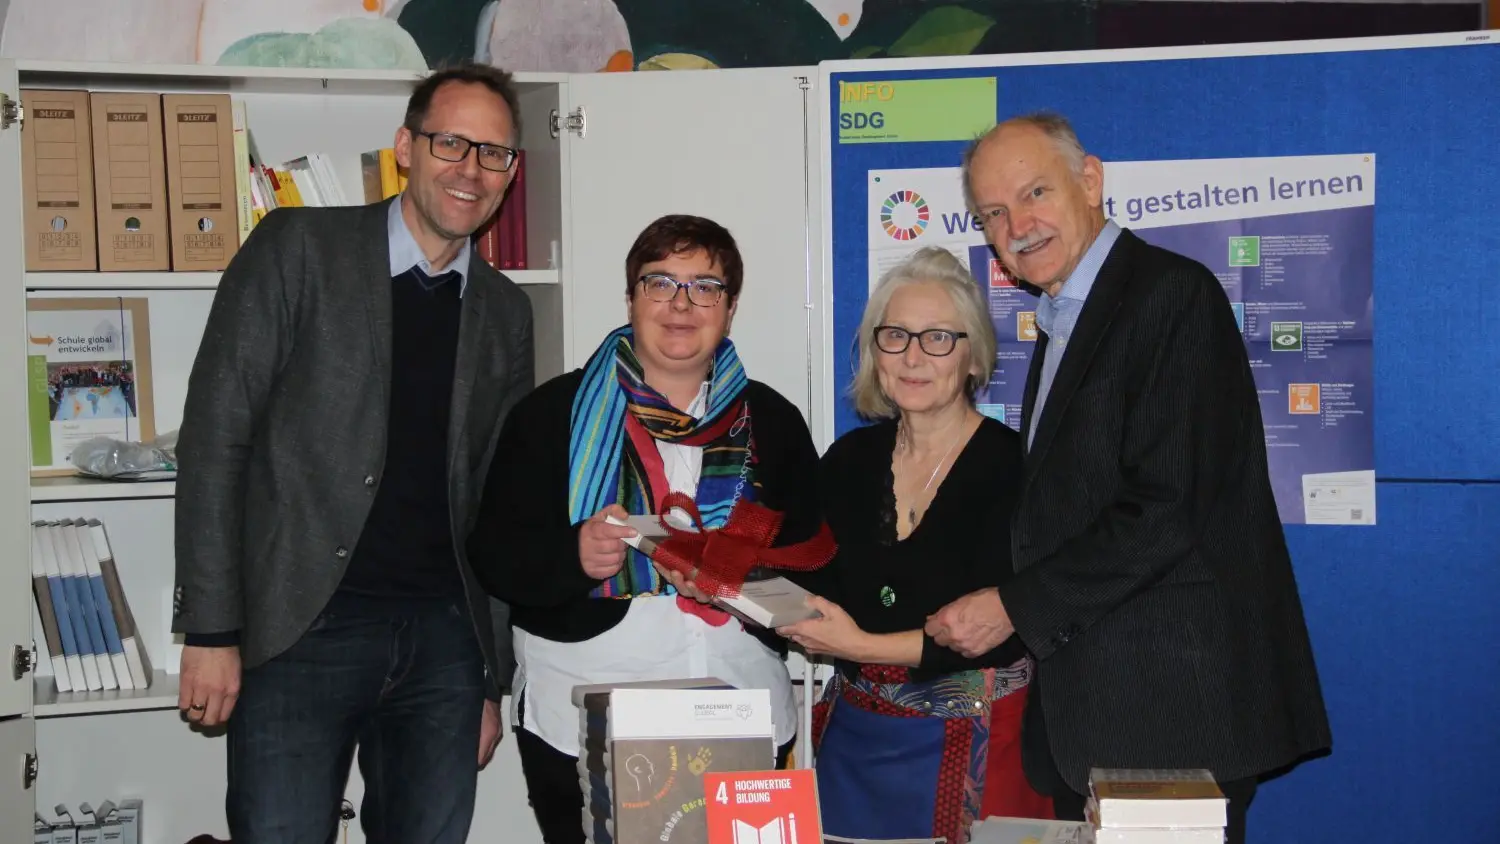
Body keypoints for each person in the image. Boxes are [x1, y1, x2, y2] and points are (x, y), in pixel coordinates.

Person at [926, 112, 1332, 844]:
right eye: (993, 214)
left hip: (1170, 710)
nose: (1017, 226)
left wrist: (1015, 606)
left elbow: (1166, 506)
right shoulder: (1067, 316)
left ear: (1090, 181)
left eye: (1035, 193)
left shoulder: (1169, 296)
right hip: (1102, 711)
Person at [170, 61, 535, 844]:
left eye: (494, 153)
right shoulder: (298, 249)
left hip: (443, 645)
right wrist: (211, 630)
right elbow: (214, 441)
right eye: (451, 143)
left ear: (511, 172)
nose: (471, 170)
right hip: (300, 632)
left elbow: (498, 503)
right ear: (405, 146)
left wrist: (489, 675)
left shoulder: (506, 312)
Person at [466, 214, 826, 844]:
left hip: (742, 710)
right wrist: (574, 554)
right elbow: (493, 556)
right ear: (630, 298)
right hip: (582, 721)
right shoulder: (550, 415)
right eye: (659, 283)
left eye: (705, 287)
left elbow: (816, 559)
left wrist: (738, 569)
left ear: (730, 308)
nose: (680, 305)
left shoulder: (773, 420)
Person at [775, 246, 1052, 844]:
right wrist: (725, 579)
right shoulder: (848, 461)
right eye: (895, 336)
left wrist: (858, 644)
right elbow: (811, 579)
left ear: (974, 355)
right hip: (855, 750)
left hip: (984, 750)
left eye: (938, 338)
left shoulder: (1016, 469)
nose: (913, 356)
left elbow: (1001, 629)